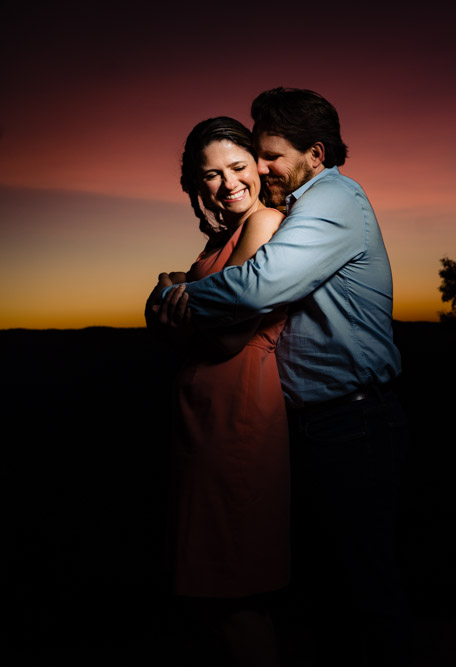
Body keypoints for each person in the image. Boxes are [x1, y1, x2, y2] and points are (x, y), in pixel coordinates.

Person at [153, 87, 410, 667]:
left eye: (267, 156)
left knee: (365, 588)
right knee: (327, 591)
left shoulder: (334, 200)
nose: (261, 168)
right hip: (311, 421)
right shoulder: (296, 208)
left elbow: (259, 286)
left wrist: (172, 294)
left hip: (354, 417)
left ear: (315, 154)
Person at [145, 116, 288, 667]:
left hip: (238, 417)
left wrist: (173, 294)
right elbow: (165, 317)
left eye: (236, 166)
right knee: (211, 594)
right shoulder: (224, 237)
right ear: (193, 184)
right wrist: (171, 299)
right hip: (203, 418)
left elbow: (229, 334)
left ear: (257, 166)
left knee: (236, 594)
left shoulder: (262, 221)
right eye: (210, 175)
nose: (228, 183)